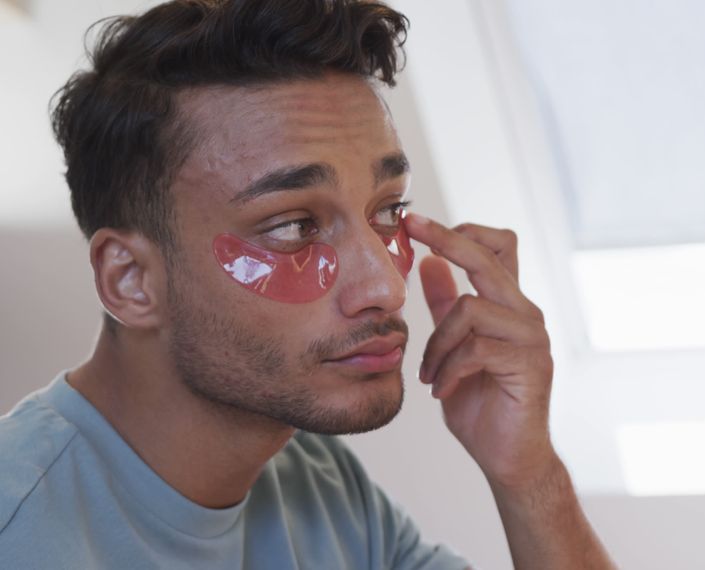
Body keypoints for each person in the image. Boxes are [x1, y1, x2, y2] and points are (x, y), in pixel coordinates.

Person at [0, 0, 616, 568]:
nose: (386, 287)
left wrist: (529, 472)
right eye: (294, 225)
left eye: (388, 212)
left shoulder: (321, 488)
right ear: (131, 280)